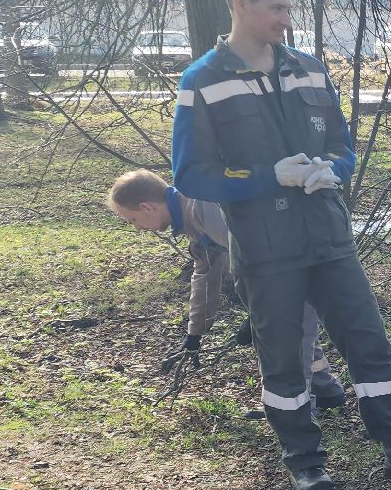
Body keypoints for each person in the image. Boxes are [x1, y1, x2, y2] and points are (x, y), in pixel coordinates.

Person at [172, 0, 391, 490]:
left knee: (369, 345)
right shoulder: (202, 81)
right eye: (276, 8)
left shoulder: (310, 69)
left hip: (329, 236)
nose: (286, 19)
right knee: (280, 357)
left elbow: (342, 147)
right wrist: (263, 178)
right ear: (240, 5)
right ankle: (304, 461)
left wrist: (333, 170)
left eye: (290, 7)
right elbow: (190, 173)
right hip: (266, 247)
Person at [106, 168, 344, 407]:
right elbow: (205, 276)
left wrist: (261, 308)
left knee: (286, 338)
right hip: (285, 267)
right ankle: (325, 389)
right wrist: (195, 334)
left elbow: (263, 252)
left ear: (147, 207)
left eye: (133, 220)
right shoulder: (190, 217)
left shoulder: (202, 207)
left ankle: (296, 412)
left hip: (297, 261)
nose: (137, 227)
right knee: (295, 330)